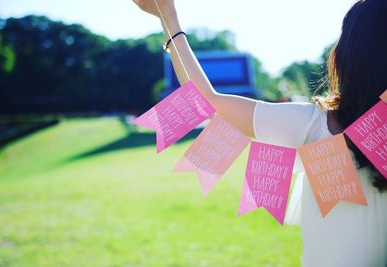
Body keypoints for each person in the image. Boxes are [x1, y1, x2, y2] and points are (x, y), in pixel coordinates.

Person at [132, 0, 387, 266]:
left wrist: (169, 18)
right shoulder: (314, 125)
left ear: (348, 55)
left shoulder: (312, 125)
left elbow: (207, 101)